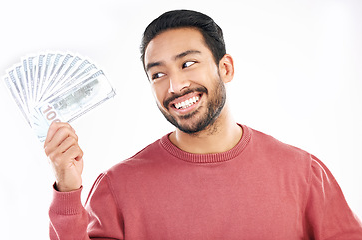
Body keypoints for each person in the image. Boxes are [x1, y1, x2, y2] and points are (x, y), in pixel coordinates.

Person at [45, 9, 362, 240]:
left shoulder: (302, 173)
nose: (174, 85)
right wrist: (68, 189)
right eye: (158, 74)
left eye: (188, 63)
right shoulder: (117, 187)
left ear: (225, 68)